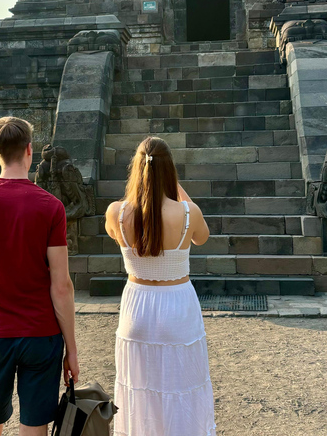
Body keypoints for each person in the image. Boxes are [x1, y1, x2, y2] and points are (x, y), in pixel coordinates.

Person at [0, 116, 79, 436]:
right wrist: (72, 349)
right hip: (41, 333)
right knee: (35, 425)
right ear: (29, 150)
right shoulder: (50, 207)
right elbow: (61, 285)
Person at [104, 136, 216, 436]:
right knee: (183, 386)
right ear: (170, 171)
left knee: (140, 389)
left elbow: (118, 233)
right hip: (177, 304)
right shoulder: (188, 213)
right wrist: (176, 189)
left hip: (137, 306)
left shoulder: (116, 212)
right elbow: (202, 237)